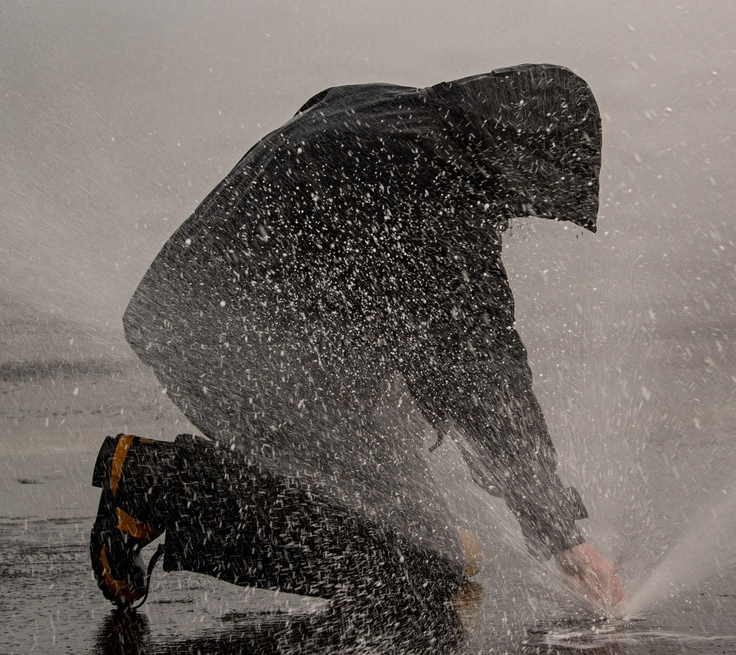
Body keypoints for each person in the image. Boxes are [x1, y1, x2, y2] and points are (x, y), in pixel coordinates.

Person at [89, 64, 625, 619]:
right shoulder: (429, 194)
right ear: (515, 154)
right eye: (526, 194)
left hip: (214, 325)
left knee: (419, 529)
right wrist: (563, 538)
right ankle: (155, 486)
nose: (518, 213)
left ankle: (412, 535)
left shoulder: (390, 110)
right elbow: (482, 373)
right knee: (416, 569)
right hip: (225, 355)